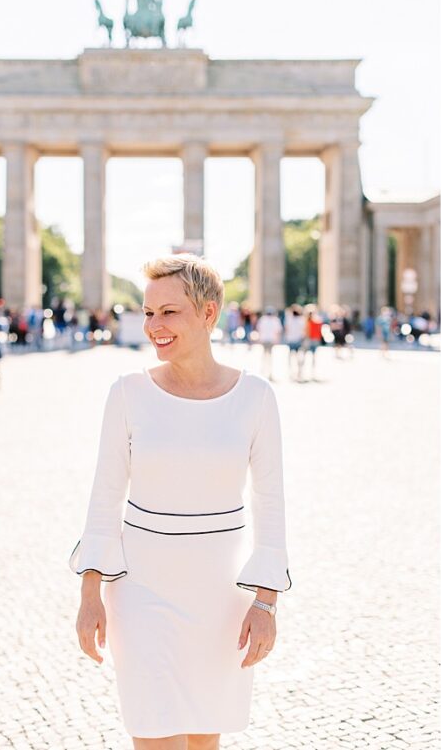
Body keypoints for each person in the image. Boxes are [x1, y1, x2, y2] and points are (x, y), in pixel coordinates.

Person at [70, 254, 291, 749]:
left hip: (221, 597)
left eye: (168, 312)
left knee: (204, 740)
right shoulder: (127, 393)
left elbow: (271, 507)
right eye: (148, 313)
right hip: (140, 592)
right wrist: (89, 596)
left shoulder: (256, 397)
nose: (154, 326)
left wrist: (266, 604)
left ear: (209, 313)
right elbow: (104, 498)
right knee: (153, 734)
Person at [256, 307, 283, 381]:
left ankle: (263, 372)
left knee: (264, 356)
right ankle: (269, 373)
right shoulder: (275, 320)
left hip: (264, 339)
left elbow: (259, 329)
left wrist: (259, 338)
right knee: (270, 357)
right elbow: (278, 331)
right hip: (271, 340)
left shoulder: (262, 319)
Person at [283, 304, 306, 381]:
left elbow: (286, 329)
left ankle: (291, 371)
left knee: (290, 356)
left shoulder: (289, 319)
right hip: (298, 340)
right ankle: (299, 372)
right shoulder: (302, 319)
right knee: (298, 356)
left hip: (291, 339)